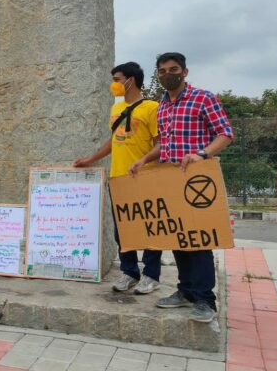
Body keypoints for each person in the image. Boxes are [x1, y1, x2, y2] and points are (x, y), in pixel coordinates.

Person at [129, 52, 234, 323]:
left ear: (184, 72)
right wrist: (144, 159)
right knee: (177, 238)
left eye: (173, 69)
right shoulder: (162, 106)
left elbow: (225, 134)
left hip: (196, 179)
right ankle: (185, 291)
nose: (167, 74)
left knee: (198, 241)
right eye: (162, 71)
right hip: (170, 179)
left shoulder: (203, 98)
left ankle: (205, 300)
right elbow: (165, 143)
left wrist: (202, 154)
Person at [74, 62, 163, 294]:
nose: (114, 84)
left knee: (150, 227)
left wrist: (145, 163)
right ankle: (129, 272)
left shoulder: (152, 108)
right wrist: (91, 158)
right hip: (119, 177)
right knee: (122, 229)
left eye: (117, 79)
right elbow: (114, 141)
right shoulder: (117, 109)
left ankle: (151, 275)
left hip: (146, 177)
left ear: (130, 80)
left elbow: (160, 142)